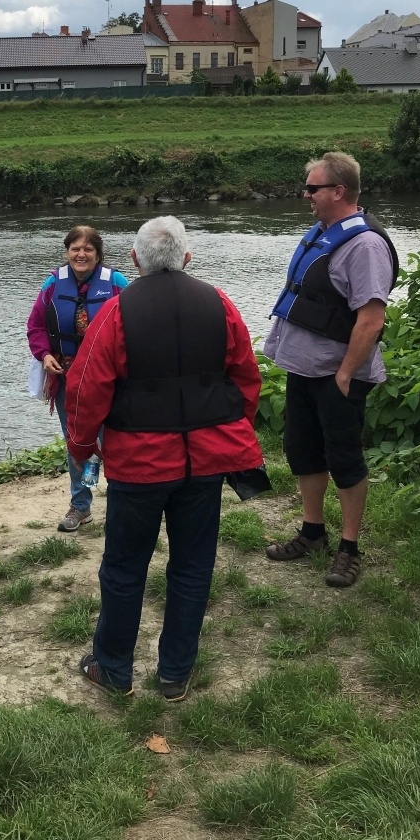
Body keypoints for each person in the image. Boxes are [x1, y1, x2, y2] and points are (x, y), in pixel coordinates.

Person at [66, 216, 262, 700]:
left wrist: (84, 448)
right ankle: (175, 673)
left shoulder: (115, 313)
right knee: (193, 566)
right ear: (187, 258)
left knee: (124, 567)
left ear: (134, 260)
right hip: (205, 462)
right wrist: (226, 432)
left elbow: (85, 390)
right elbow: (246, 381)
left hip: (140, 464)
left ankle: (113, 667)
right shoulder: (220, 305)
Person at [262, 151, 397, 589]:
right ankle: (313, 531)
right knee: (303, 451)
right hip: (304, 369)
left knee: (345, 459)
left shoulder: (365, 246)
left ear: (338, 191)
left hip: (338, 376)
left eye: (313, 189)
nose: (306, 195)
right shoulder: (323, 232)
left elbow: (371, 318)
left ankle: (350, 548)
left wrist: (344, 374)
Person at [27, 225, 129, 532]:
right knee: (76, 442)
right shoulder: (52, 284)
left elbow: (135, 324)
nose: (80, 254)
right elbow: (36, 327)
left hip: (109, 379)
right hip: (67, 377)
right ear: (67, 252)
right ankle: (80, 505)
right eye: (75, 248)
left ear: (98, 254)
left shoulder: (117, 283)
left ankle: (123, 501)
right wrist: (44, 354)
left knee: (115, 439)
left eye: (87, 249)